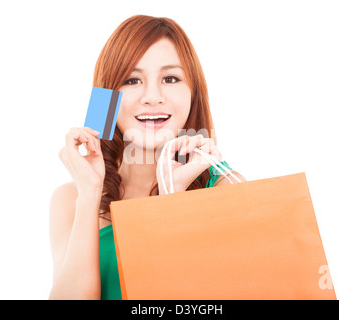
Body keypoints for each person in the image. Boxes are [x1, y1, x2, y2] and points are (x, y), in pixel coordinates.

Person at [49, 14, 246, 300]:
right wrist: (89, 195)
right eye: (131, 80)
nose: (152, 96)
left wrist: (172, 202)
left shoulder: (225, 188)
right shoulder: (69, 200)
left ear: (193, 94)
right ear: (105, 100)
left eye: (170, 78)